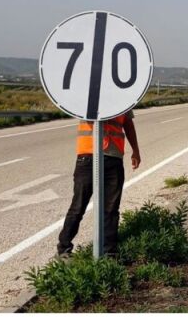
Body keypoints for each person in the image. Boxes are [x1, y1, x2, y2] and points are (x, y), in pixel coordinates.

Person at [57, 110, 141, 258]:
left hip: (114, 157)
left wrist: (136, 150)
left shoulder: (124, 94)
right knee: (78, 206)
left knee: (111, 209)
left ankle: (110, 253)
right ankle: (64, 249)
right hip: (88, 156)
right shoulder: (88, 90)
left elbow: (128, 124)